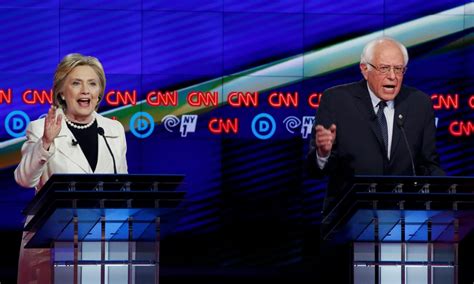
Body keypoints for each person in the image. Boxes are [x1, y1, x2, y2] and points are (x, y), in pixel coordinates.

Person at [306, 37, 444, 282]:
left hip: (404, 229)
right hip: (347, 227)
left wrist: (448, 193)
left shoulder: (419, 104)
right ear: (364, 69)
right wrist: (323, 154)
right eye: (384, 68)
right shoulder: (337, 100)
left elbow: (428, 163)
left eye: (399, 69)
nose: (393, 76)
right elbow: (315, 170)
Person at [14, 53, 128, 284]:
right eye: (76, 83)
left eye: (92, 83)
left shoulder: (114, 130)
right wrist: (46, 142)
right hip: (53, 243)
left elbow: (122, 187)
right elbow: (24, 179)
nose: (85, 90)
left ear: (99, 94)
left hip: (102, 243)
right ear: (62, 93)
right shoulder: (41, 128)